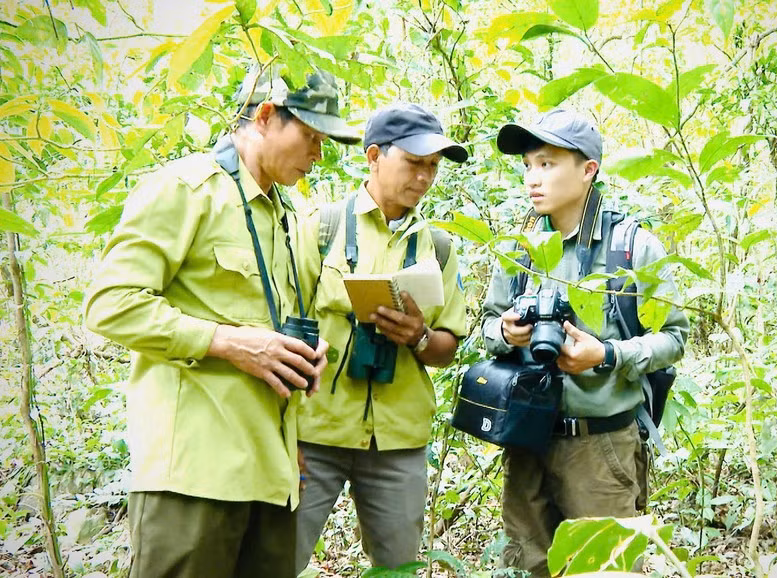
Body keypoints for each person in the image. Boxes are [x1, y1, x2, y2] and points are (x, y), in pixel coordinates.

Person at [83, 66, 359, 578]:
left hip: (271, 477)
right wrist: (226, 341)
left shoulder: (287, 215)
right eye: (311, 137)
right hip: (194, 477)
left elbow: (270, 326)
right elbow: (109, 302)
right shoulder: (187, 189)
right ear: (266, 116)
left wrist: (296, 391)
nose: (318, 155)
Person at [481, 108, 690, 577]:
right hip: (526, 441)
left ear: (588, 170)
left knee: (605, 570)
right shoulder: (520, 250)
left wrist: (608, 354)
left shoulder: (632, 248)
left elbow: (674, 338)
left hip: (601, 448)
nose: (533, 178)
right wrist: (505, 333)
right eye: (529, 165)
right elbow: (488, 325)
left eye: (548, 164)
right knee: (526, 566)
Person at [292, 103, 469, 571]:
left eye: (432, 167)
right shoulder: (322, 228)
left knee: (397, 567)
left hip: (397, 442)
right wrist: (280, 432)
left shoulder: (440, 247)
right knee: (275, 557)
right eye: (413, 163)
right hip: (316, 433)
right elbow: (283, 323)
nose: (424, 177)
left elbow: (448, 345)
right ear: (373, 156)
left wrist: (418, 336)